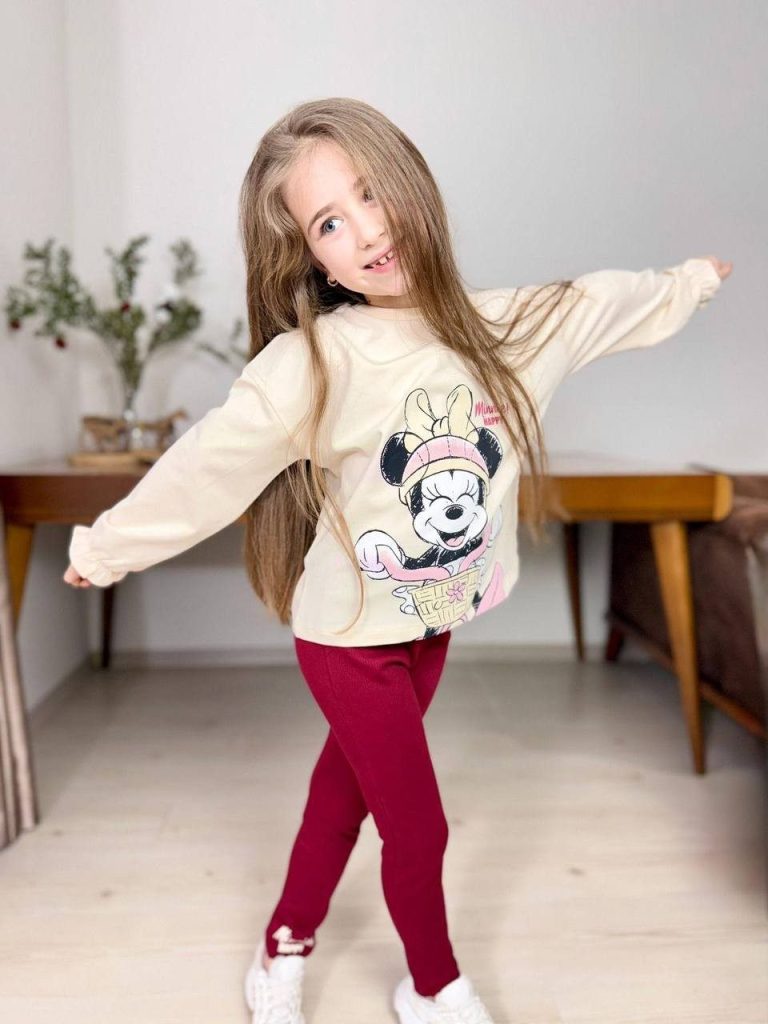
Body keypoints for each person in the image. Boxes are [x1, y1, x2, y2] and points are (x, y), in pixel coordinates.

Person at [63, 97, 732, 1024]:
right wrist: (105, 548)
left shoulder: (506, 330)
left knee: (342, 802)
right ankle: (432, 983)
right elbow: (205, 468)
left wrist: (690, 281)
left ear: (413, 184)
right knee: (419, 825)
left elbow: (597, 301)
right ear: (314, 259)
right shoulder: (315, 362)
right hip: (347, 639)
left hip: (428, 624)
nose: (367, 230)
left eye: (372, 193)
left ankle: (283, 941)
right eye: (330, 222)